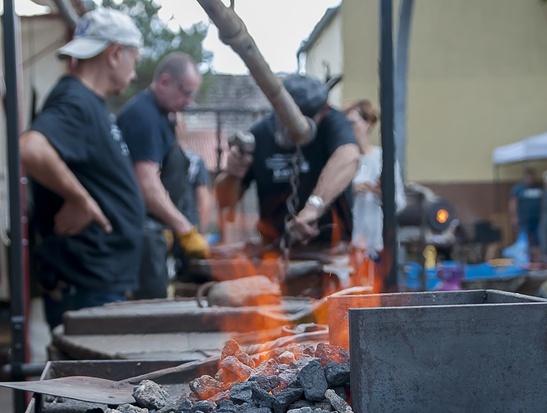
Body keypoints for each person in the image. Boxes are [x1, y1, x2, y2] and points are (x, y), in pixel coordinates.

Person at [20, 8, 145, 329]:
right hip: (86, 287)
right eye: (135, 59)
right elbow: (31, 148)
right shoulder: (75, 100)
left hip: (98, 283)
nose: (134, 74)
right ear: (115, 53)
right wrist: (81, 200)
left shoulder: (90, 103)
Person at [214, 74, 360, 255]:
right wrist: (232, 173)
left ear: (322, 112)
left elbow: (349, 156)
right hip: (275, 250)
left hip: (330, 250)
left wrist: (313, 208)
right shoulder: (259, 135)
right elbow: (224, 201)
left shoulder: (333, 122)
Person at [117, 52, 210, 299]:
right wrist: (185, 229)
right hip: (141, 234)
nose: (189, 101)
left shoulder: (161, 115)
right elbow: (147, 184)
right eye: (186, 92)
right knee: (150, 309)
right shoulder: (144, 117)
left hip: (155, 232)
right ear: (165, 82)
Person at [342, 99, 406, 256]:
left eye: (354, 123)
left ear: (368, 123)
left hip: (378, 244)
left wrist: (384, 194)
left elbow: (400, 203)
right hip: (350, 245)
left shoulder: (383, 158)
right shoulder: (342, 159)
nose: (350, 129)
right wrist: (351, 191)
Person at [508, 167, 543, 251]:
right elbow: (513, 203)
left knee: (538, 239)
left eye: (532, 177)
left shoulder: (538, 187)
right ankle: (524, 257)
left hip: (537, 219)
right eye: (529, 177)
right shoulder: (519, 188)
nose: (530, 179)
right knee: (524, 239)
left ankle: (536, 258)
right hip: (523, 219)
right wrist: (514, 217)